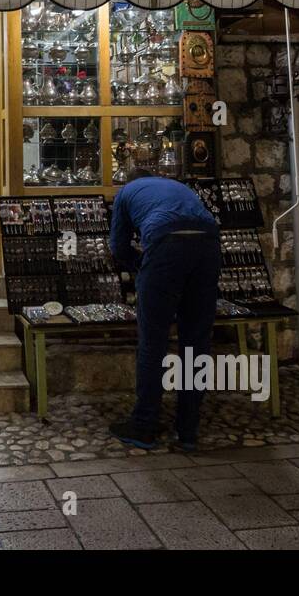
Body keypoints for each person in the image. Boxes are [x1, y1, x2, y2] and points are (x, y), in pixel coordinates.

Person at [108, 167, 220, 452]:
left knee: (153, 342)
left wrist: (141, 266)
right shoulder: (177, 187)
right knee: (196, 341)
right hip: (208, 243)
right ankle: (188, 430)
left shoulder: (125, 193)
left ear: (129, 181)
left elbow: (118, 247)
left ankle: (144, 426)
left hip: (165, 242)